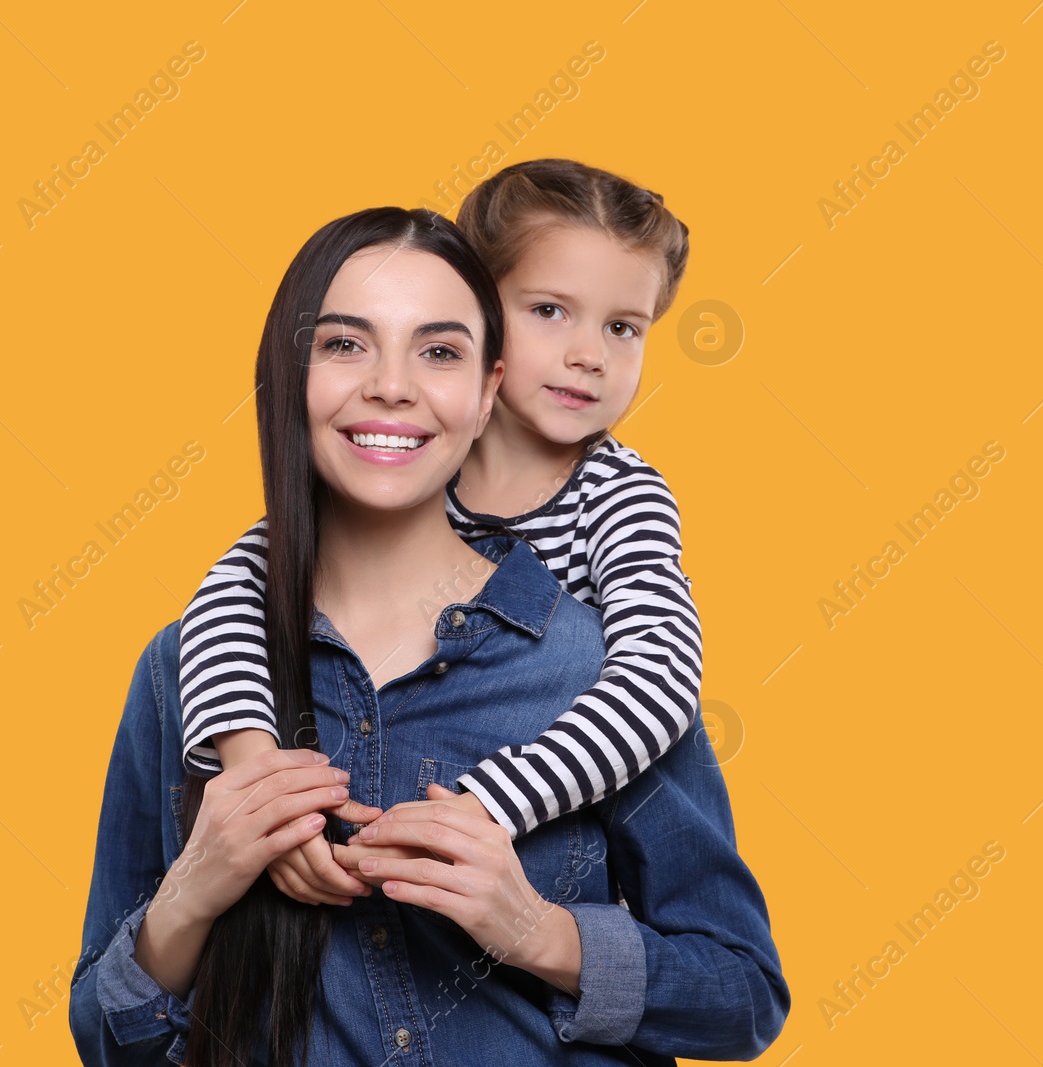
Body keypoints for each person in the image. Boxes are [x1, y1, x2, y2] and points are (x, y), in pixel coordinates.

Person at [70, 206, 788, 1065]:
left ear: (488, 390)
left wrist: (537, 932)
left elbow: (742, 997)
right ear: (287, 374)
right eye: (345, 344)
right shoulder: (190, 665)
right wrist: (192, 892)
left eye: (438, 351)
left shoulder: (593, 672)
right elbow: (106, 1040)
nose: (391, 385)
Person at [176, 162, 704, 921]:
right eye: (551, 310)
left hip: (546, 872)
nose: (590, 354)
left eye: (623, 327)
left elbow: (660, 680)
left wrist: (491, 803)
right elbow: (232, 591)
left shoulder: (620, 497)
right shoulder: (403, 468)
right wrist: (252, 765)